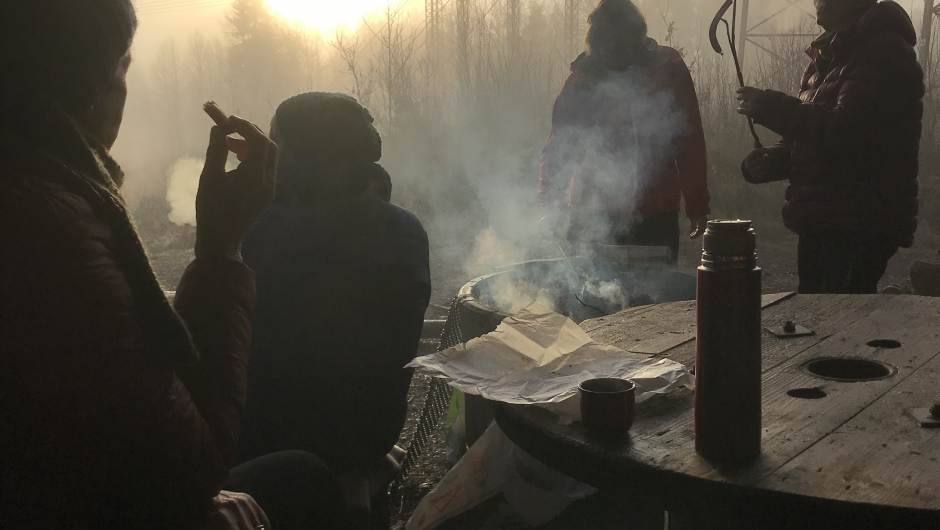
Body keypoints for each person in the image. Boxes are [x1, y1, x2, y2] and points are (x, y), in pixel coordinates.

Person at [1, 1, 348, 528]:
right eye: (119, 66)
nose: (122, 88)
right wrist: (221, 250)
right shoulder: (49, 228)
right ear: (81, 83)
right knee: (304, 480)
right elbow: (190, 468)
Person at [233, 93, 432, 520]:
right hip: (370, 435)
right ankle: (357, 483)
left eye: (276, 143)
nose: (270, 152)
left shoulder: (257, 227)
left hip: (274, 442)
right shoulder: (406, 229)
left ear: (295, 151)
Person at [737, 0, 923, 294]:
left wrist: (771, 107)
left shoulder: (883, 53)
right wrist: (771, 160)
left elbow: (845, 130)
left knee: (837, 324)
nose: (816, 1)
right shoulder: (832, 54)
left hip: (859, 221)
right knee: (818, 318)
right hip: (827, 218)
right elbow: (815, 138)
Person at [539, 0, 710, 263]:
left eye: (624, 41)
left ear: (637, 37)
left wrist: (697, 204)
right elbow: (560, 146)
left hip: (655, 213)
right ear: (596, 43)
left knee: (654, 299)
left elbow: (689, 140)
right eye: (609, 44)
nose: (617, 52)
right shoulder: (581, 81)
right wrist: (550, 203)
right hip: (591, 214)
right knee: (593, 298)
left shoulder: (667, 68)